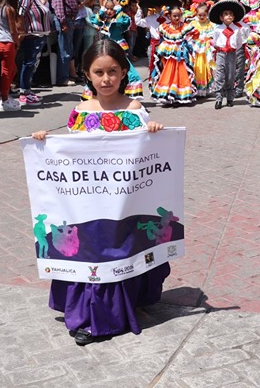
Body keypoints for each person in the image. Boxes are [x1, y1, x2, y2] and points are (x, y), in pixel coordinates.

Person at [30, 39, 166, 346]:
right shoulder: (80, 111)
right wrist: (44, 140)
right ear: (87, 74)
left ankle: (110, 313)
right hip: (85, 202)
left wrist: (154, 130)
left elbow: (145, 151)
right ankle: (87, 315)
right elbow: (69, 151)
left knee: (116, 250)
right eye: (99, 72)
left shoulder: (134, 109)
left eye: (113, 71)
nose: (106, 79)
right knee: (90, 251)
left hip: (121, 203)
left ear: (123, 73)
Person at [16, 0, 51, 107]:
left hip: (38, 35)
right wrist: (21, 31)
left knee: (32, 63)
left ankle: (27, 90)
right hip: (32, 35)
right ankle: (24, 92)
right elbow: (20, 12)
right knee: (29, 62)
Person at [150, 5, 197, 106]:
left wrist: (188, 43)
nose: (176, 18)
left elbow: (195, 33)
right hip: (168, 54)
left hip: (181, 54)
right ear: (169, 16)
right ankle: (167, 95)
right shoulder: (165, 27)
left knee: (180, 73)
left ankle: (178, 95)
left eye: (178, 15)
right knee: (168, 73)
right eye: (174, 16)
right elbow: (157, 34)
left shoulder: (185, 26)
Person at [209, 0, 248, 109]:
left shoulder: (237, 29)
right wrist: (219, 48)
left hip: (232, 53)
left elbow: (240, 42)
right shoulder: (218, 29)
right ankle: (218, 98)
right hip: (221, 53)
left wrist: (233, 48)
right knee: (220, 74)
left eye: (231, 14)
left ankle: (230, 98)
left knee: (231, 75)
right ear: (221, 17)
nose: (229, 16)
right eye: (226, 14)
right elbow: (215, 41)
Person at [0, 0, 22, 112]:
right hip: (7, 42)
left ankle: (5, 95)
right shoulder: (9, 8)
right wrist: (17, 42)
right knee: (7, 72)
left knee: (12, 69)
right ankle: (4, 99)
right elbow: (13, 29)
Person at [50, 0, 81, 87]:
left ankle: (66, 75)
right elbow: (58, 5)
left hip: (69, 20)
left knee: (68, 48)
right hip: (64, 20)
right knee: (64, 49)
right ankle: (62, 77)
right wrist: (62, 22)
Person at [188, 2, 216, 98]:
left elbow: (213, 35)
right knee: (196, 68)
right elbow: (188, 35)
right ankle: (195, 87)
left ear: (207, 14)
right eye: (200, 15)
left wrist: (208, 39)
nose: (202, 17)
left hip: (205, 50)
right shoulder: (193, 24)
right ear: (196, 13)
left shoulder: (211, 24)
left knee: (206, 67)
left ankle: (204, 89)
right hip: (195, 50)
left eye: (204, 15)